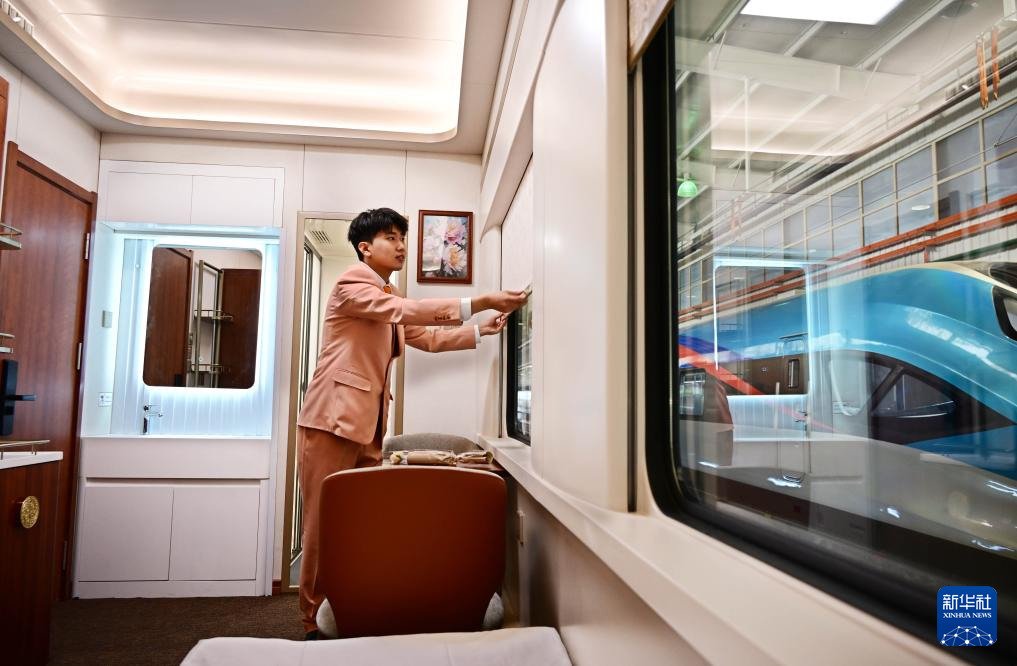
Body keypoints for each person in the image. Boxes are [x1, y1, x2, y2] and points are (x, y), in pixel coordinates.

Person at [295, 207, 527, 637]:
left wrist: (481, 330)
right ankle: (312, 622)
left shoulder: (389, 296)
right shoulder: (352, 285)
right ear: (365, 248)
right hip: (331, 420)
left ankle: (350, 609)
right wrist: (480, 301)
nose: (402, 245)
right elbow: (411, 310)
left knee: (358, 525)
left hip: (368, 426)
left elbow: (428, 337)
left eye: (403, 238)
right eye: (391, 237)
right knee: (322, 526)